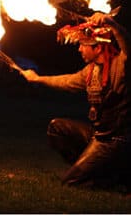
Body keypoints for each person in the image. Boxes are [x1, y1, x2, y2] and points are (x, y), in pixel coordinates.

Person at [21, 11, 130, 189]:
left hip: (118, 141)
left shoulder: (122, 65)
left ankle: (109, 176)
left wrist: (113, 24)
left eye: (83, 45)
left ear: (98, 47)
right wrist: (37, 79)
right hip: (99, 137)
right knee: (57, 128)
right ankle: (99, 170)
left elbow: (128, 45)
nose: (79, 49)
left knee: (71, 182)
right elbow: (66, 81)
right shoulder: (90, 71)